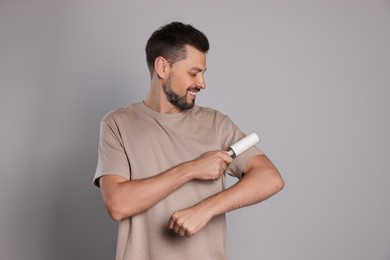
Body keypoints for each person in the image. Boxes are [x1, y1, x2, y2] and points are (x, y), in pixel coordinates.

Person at [93, 21, 284, 260]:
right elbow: (118, 204)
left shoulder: (216, 123)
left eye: (203, 73)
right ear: (163, 67)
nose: (202, 83)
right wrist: (192, 168)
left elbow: (270, 178)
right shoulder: (118, 124)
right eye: (194, 73)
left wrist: (205, 209)